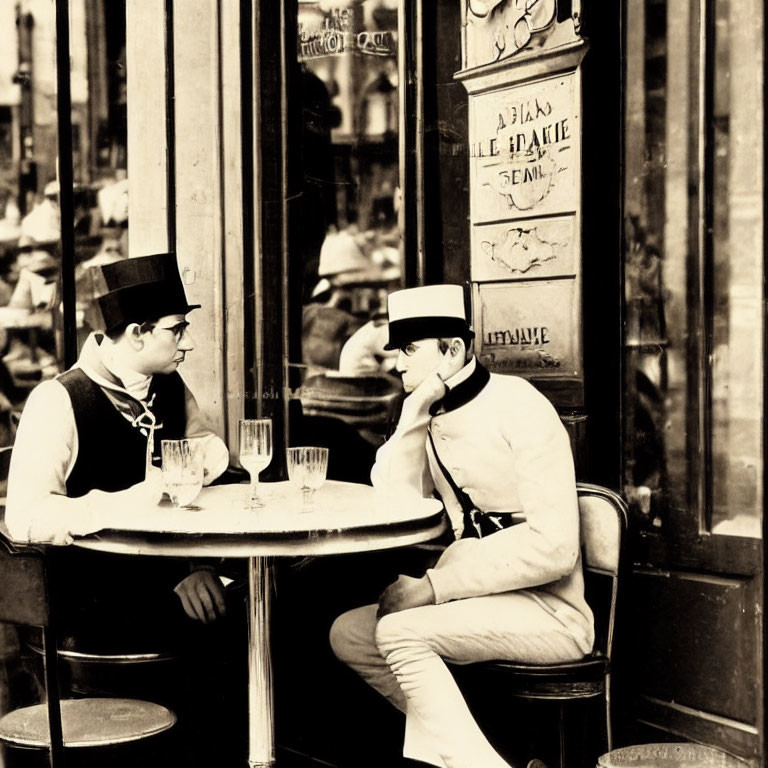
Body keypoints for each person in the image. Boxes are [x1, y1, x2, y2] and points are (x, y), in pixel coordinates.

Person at [329, 284, 594, 768]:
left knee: (400, 633)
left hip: (551, 610)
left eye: (410, 350)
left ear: (452, 350)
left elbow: (556, 548)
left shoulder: (521, 405)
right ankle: (487, 754)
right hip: (480, 603)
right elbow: (395, 504)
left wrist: (434, 586)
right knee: (350, 633)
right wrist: (411, 418)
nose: (398, 364)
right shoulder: (428, 412)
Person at [5, 251, 230, 649]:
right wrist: (128, 503)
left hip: (169, 586)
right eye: (177, 330)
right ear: (137, 334)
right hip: (90, 606)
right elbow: (26, 518)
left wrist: (198, 565)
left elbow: (206, 451)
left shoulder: (171, 388)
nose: (189, 343)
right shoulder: (58, 400)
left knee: (259, 608)